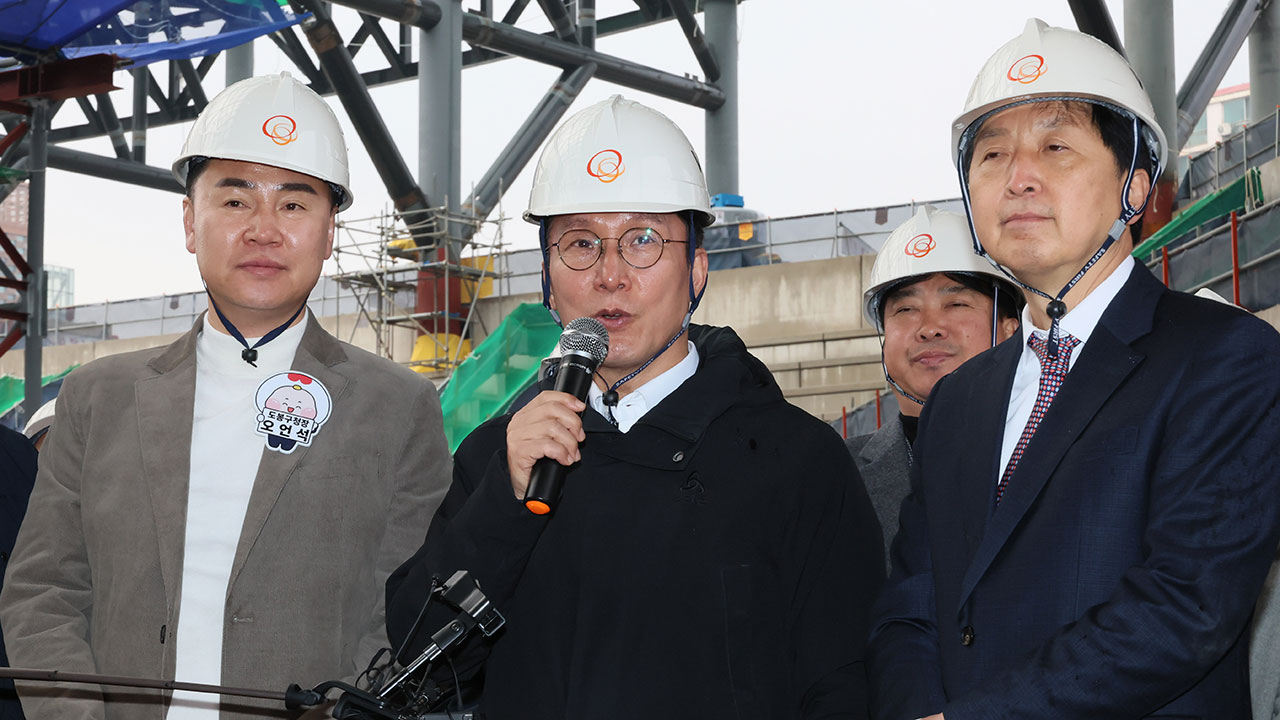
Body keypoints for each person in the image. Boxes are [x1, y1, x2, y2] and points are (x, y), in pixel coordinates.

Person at [385, 95, 885, 720]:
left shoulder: (795, 458)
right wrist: (502, 507)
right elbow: (417, 657)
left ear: (697, 269)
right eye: (579, 245)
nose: (610, 275)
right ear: (547, 277)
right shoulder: (498, 455)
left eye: (643, 241)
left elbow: (845, 679)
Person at [0, 72, 451, 719]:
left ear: (328, 233)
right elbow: (43, 590)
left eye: (294, 205)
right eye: (235, 201)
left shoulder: (399, 408)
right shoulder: (98, 399)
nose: (264, 230)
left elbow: (402, 611)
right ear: (190, 221)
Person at [867, 19, 1280, 720]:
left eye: (1056, 147)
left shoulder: (1226, 360)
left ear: (1136, 187)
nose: (1019, 177)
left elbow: (1185, 607)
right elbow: (913, 604)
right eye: (992, 154)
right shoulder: (959, 402)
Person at [847, 206, 1020, 567]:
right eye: (905, 310)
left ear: (1010, 329)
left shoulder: (1061, 452)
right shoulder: (831, 473)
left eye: (956, 303)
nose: (929, 327)